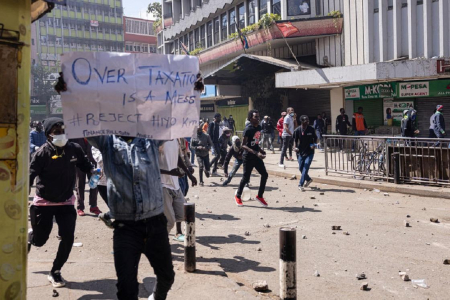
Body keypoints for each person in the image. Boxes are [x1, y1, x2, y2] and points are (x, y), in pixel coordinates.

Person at [28, 117, 94, 288]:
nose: (61, 135)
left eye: (64, 131)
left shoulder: (74, 149)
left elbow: (85, 165)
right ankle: (31, 237)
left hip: (65, 202)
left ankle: (55, 271)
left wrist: (93, 172)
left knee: (68, 238)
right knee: (40, 241)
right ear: (49, 135)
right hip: (44, 203)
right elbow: (30, 176)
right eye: (57, 132)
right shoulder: (42, 153)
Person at [234, 110, 268, 207]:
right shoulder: (248, 129)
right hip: (248, 157)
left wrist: (260, 150)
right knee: (246, 178)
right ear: (250, 118)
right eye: (255, 117)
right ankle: (238, 196)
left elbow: (255, 142)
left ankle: (260, 196)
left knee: (264, 174)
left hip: (256, 156)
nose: (258, 118)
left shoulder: (259, 127)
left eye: (258, 116)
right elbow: (243, 145)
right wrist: (256, 153)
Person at [70, 138, 102, 216]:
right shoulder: (76, 133)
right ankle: (80, 207)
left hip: (94, 161)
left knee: (94, 184)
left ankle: (93, 206)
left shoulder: (94, 133)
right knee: (80, 184)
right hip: (79, 163)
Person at [294, 115, 317, 191]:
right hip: (300, 152)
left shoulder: (311, 129)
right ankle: (309, 179)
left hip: (310, 152)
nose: (307, 121)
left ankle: (300, 184)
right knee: (301, 168)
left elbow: (316, 138)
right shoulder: (297, 130)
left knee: (305, 168)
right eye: (306, 120)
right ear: (302, 121)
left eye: (308, 120)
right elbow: (295, 140)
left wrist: (314, 144)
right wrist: (295, 147)